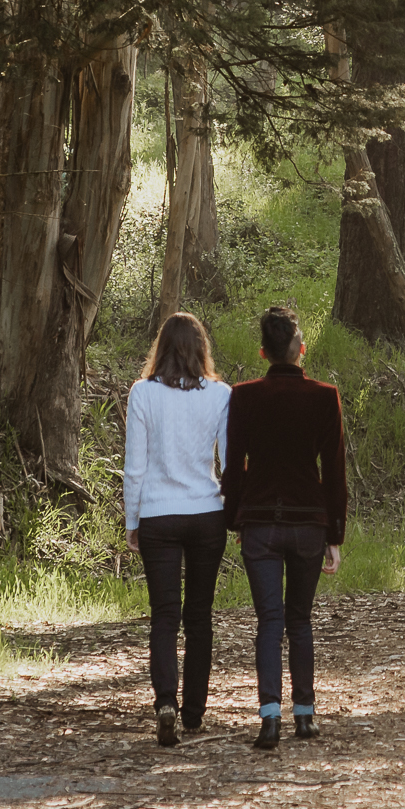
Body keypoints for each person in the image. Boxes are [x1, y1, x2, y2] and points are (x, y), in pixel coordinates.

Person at [220, 305, 347, 750]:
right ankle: (306, 715)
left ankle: (269, 717)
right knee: (300, 619)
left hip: (259, 523)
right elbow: (333, 472)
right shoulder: (324, 396)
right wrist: (335, 535)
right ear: (300, 350)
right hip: (309, 522)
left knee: (269, 621)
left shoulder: (244, 396)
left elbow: (233, 466)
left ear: (263, 353)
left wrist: (233, 519)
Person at [123, 311, 233, 748]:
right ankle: (193, 712)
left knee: (165, 614)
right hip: (207, 513)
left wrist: (133, 520)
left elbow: (135, 467)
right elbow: (229, 461)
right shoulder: (221, 395)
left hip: (158, 515)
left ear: (161, 349)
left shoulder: (142, 394)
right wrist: (233, 510)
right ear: (201, 349)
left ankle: (165, 700)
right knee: (200, 615)